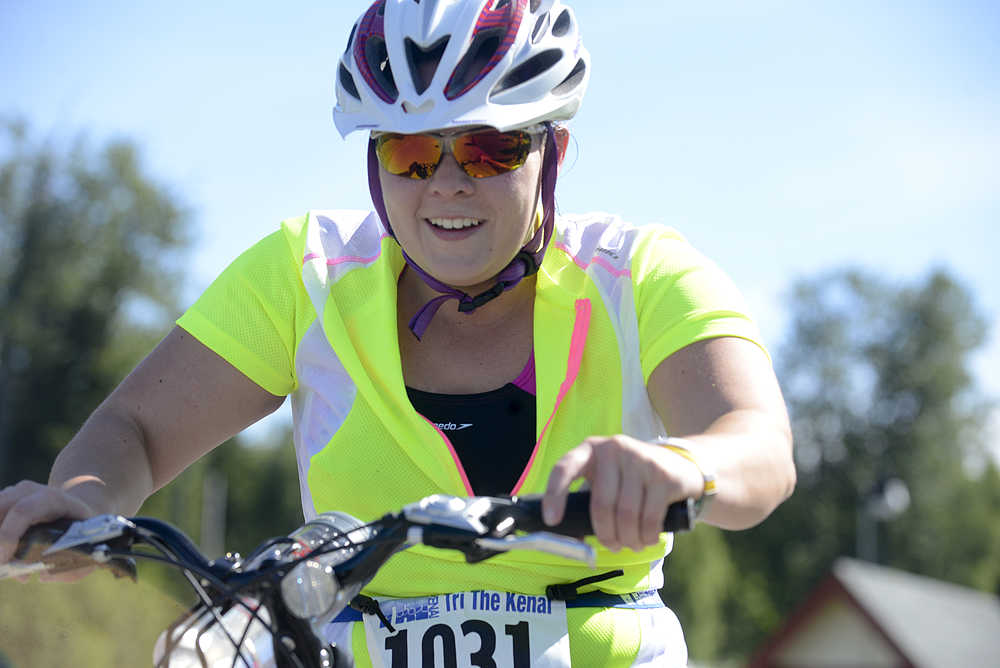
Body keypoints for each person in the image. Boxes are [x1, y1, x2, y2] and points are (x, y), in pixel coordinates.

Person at [0, 0, 795, 665]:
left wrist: (679, 467)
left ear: (550, 150)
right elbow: (134, 428)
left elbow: (757, 446)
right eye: (413, 151)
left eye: (490, 148)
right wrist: (81, 508)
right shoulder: (306, 274)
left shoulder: (641, 274)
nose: (449, 181)